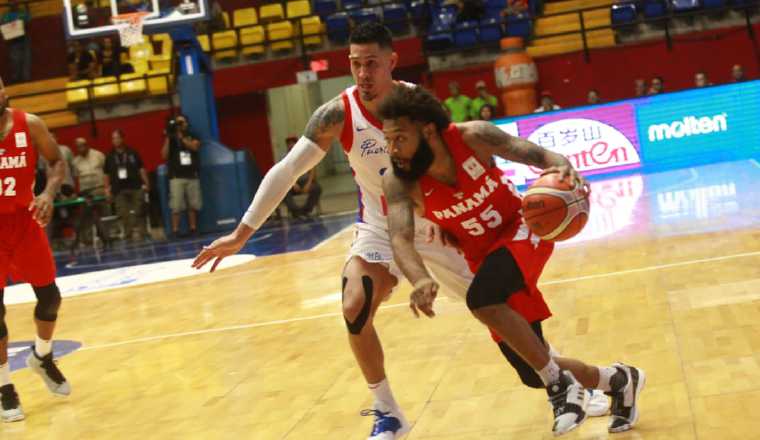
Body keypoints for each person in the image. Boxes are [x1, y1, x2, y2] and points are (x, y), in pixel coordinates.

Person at [191, 23, 609, 440]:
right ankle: (387, 411)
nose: (362, 73)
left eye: (371, 63)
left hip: (438, 224)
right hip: (381, 227)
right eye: (355, 64)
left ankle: (583, 380)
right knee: (354, 306)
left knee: (512, 333)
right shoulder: (338, 113)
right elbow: (287, 170)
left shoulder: (418, 106)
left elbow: (462, 157)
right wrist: (243, 232)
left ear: (392, 62)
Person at [378, 85, 646, 436]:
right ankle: (619, 379)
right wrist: (420, 280)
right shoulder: (398, 181)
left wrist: (566, 173)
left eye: (399, 138)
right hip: (482, 256)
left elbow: (539, 155)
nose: (391, 149)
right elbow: (399, 237)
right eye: (388, 140)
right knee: (528, 366)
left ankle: (561, 389)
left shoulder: (473, 137)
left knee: (482, 300)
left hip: (521, 229)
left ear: (428, 130)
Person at [0, 76, 72, 422]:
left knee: (51, 298)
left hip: (25, 221)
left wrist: (47, 194)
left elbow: (57, 162)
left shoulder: (29, 124)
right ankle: (4, 387)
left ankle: (41, 356)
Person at [104, 129, 149, 241]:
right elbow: (106, 174)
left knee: (139, 211)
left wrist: (146, 183)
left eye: (117, 137)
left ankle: (143, 234)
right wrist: (107, 189)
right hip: (118, 189)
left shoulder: (132, 152)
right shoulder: (109, 156)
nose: (115, 140)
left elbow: (141, 169)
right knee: (123, 214)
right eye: (113, 138)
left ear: (122, 138)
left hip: (135, 186)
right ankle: (128, 235)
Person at [161, 114, 202, 237]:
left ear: (186, 123)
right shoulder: (171, 138)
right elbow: (164, 155)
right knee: (176, 206)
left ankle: (193, 228)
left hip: (191, 175)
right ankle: (175, 230)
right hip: (176, 176)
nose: (180, 125)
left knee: (193, 205)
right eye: (177, 123)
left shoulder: (192, 135)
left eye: (181, 123)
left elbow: (195, 147)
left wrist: (182, 137)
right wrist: (169, 137)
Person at [282, 136, 322, 219]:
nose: (291, 145)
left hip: (305, 181)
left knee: (317, 188)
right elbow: (285, 172)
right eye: (289, 143)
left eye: (293, 142)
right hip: (292, 182)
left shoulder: (305, 154)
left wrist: (309, 183)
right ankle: (295, 211)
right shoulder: (285, 157)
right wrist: (293, 183)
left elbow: (312, 170)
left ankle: (306, 210)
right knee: (283, 192)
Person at [1, 0, 31, 84]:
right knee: (15, 61)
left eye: (15, 1)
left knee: (26, 58)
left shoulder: (22, 13)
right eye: (11, 1)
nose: (13, 3)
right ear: (8, 3)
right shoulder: (5, 16)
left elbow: (28, 19)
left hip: (24, 38)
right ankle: (16, 80)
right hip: (13, 41)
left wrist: (27, 6)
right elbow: (2, 26)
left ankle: (26, 80)